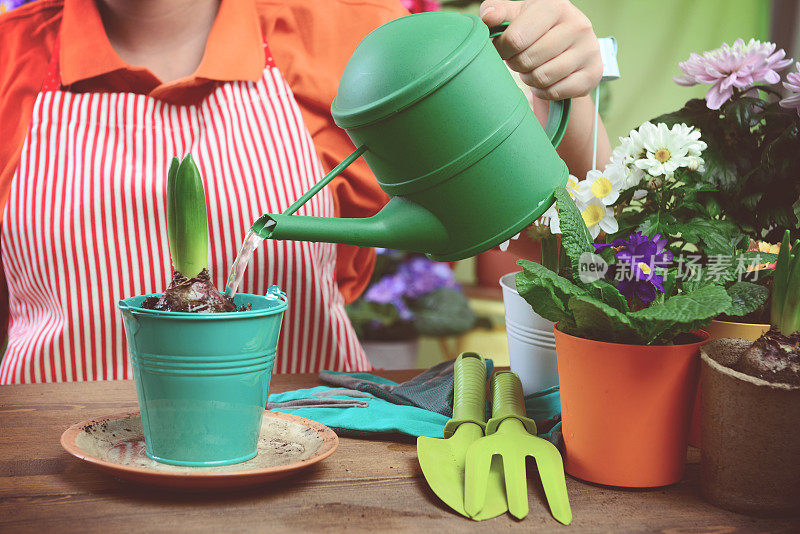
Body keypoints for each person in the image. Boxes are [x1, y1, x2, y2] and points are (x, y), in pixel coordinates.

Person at [0, 0, 610, 384]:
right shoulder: (10, 56)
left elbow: (585, 225)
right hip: (49, 462)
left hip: (317, 457)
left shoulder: (350, 37)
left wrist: (568, 94)